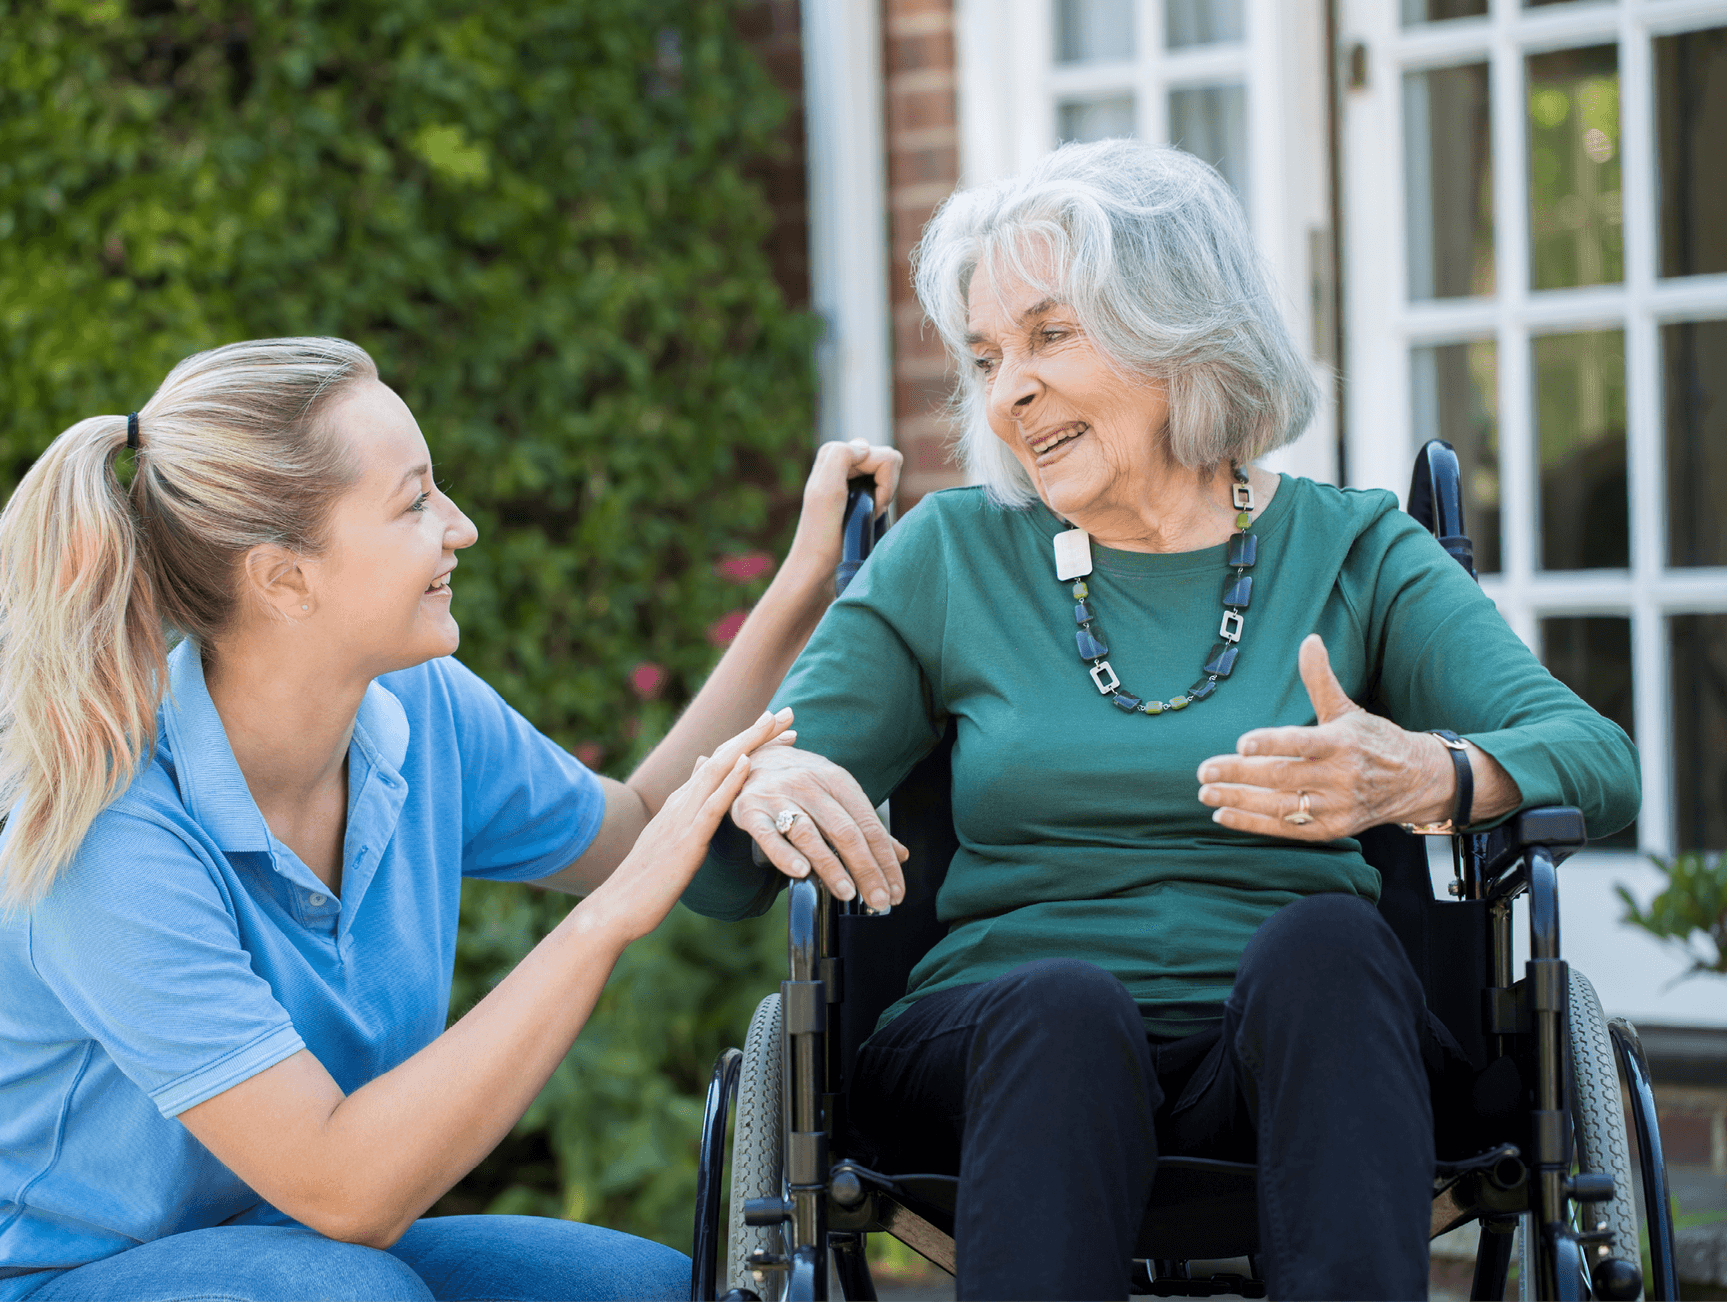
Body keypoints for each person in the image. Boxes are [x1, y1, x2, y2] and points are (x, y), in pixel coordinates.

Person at [682, 139, 1640, 1301]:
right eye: (987, 357)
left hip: (1297, 1054)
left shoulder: (1352, 547)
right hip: (1001, 1049)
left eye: (1049, 335)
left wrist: (1428, 775)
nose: (1007, 392)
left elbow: (1599, 761)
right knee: (1065, 1004)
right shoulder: (953, 555)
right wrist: (765, 789)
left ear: (1180, 328)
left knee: (1333, 952)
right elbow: (722, 877)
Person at [0, 337, 899, 1302]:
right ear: (284, 577)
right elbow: (349, 1191)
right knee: (350, 1290)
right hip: (37, 1283)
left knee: (641, 1291)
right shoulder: (112, 835)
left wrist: (805, 581)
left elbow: (636, 827)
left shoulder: (421, 713)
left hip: (279, 1254)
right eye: (416, 500)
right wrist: (603, 925)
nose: (459, 525)